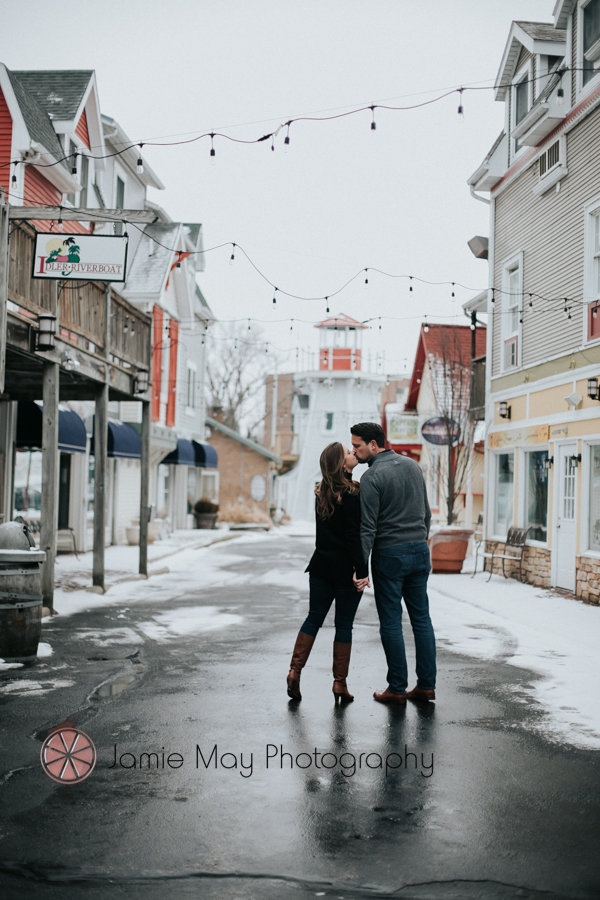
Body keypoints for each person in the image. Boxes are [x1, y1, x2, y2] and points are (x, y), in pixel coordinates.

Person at [350, 422, 436, 704]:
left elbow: (367, 528)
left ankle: (397, 687)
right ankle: (426, 685)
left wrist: (360, 567)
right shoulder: (412, 466)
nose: (355, 451)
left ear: (373, 444)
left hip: (390, 555)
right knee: (421, 619)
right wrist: (421, 541)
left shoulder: (372, 477)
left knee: (391, 622)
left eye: (357, 446)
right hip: (419, 550)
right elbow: (426, 513)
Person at [286, 442, 369, 703]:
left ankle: (294, 670)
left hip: (320, 566)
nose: (352, 453)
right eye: (347, 452)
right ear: (340, 465)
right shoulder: (352, 493)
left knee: (313, 618)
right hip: (345, 569)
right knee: (343, 625)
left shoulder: (320, 491)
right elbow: (353, 537)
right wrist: (362, 570)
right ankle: (339, 683)